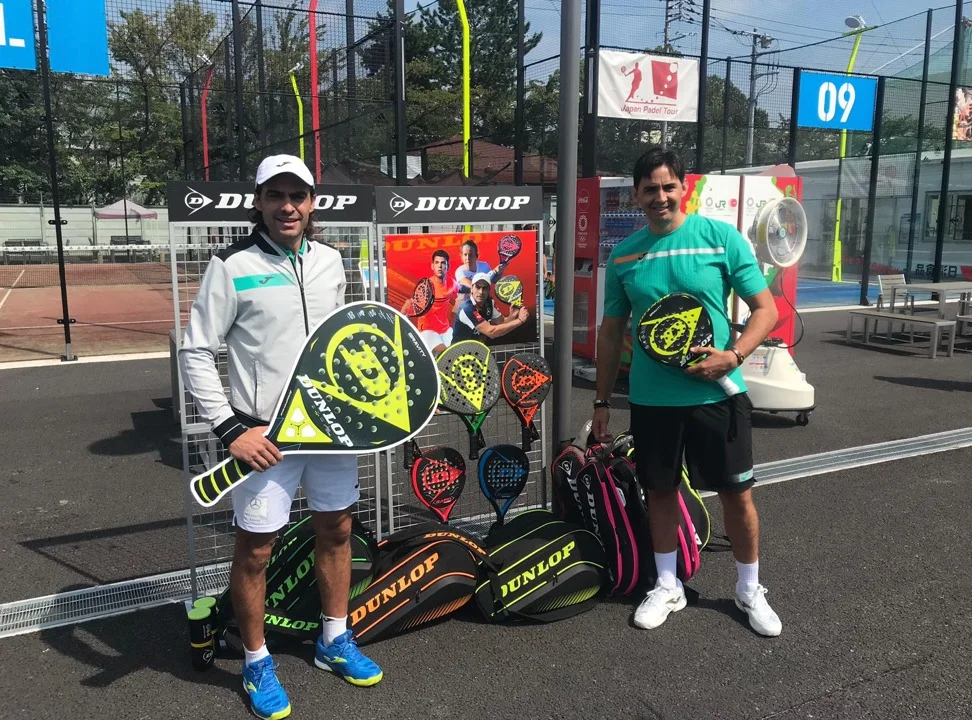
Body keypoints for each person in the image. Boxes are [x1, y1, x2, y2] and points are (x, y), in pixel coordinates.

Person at [179, 154, 382, 720]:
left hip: (331, 430)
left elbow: (345, 341)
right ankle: (255, 660)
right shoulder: (231, 265)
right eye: (276, 195)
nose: (287, 206)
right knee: (256, 550)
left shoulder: (331, 261)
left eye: (298, 196)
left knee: (337, 531)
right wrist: (230, 429)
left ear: (313, 203)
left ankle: (333, 639)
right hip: (264, 436)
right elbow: (196, 351)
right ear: (259, 202)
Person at [591, 146, 782, 638]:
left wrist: (733, 355)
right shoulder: (625, 254)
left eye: (668, 186)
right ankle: (668, 584)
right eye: (649, 189)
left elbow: (766, 310)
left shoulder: (720, 238)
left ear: (684, 188)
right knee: (660, 493)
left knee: (737, 496)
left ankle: (749, 588)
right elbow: (611, 334)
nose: (660, 196)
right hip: (652, 401)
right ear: (636, 195)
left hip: (718, 397)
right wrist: (601, 403)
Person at [452, 272, 530, 343]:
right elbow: (491, 332)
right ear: (472, 288)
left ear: (489, 290)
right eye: (478, 287)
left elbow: (502, 323)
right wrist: (519, 320)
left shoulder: (490, 303)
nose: (481, 292)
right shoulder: (467, 309)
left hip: (478, 349)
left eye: (484, 288)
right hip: (459, 351)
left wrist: (512, 316)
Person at [406, 248, 458, 354]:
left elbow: (461, 288)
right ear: (432, 266)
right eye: (437, 263)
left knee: (455, 354)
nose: (440, 266)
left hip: (445, 330)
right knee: (445, 354)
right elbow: (409, 305)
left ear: (448, 266)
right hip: (427, 330)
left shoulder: (452, 283)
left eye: (443, 263)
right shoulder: (426, 287)